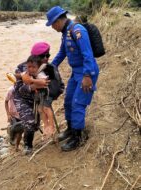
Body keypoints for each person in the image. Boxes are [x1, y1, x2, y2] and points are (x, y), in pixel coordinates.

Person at [46, 6, 99, 151]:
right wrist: (50, 67)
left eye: (52, 24)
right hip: (76, 73)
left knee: (78, 103)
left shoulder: (77, 31)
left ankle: (78, 136)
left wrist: (87, 76)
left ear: (58, 20)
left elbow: (88, 54)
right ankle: (71, 129)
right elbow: (62, 53)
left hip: (87, 72)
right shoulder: (66, 33)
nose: (52, 27)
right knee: (68, 100)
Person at [13, 42, 52, 155]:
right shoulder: (22, 69)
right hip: (22, 99)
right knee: (30, 122)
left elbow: (56, 84)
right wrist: (33, 86)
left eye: (48, 55)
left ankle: (18, 127)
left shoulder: (47, 68)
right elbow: (19, 88)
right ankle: (27, 146)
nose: (46, 58)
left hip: (38, 99)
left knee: (35, 125)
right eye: (44, 56)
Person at [5, 84, 24, 151]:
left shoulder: (26, 88)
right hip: (13, 114)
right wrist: (8, 114)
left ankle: (16, 146)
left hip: (22, 114)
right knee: (15, 129)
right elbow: (6, 101)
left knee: (20, 131)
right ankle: (12, 139)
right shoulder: (11, 90)